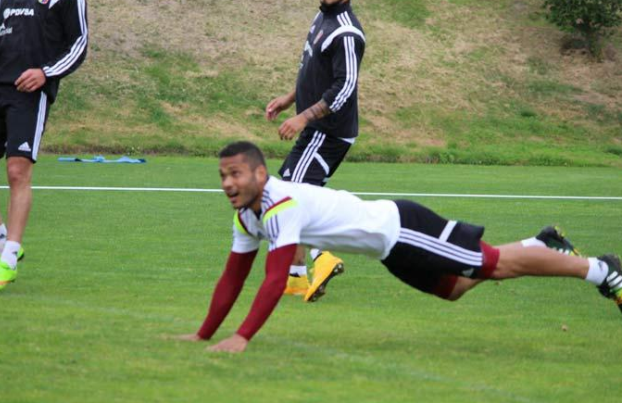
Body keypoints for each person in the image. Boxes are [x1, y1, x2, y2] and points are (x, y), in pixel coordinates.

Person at [177, 141, 622, 353]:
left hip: (404, 227)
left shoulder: (280, 204)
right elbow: (233, 275)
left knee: (494, 265)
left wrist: (241, 336)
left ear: (259, 174)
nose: (228, 183)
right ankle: (540, 243)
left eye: (236, 173)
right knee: (455, 289)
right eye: (222, 176)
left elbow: (276, 279)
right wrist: (202, 334)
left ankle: (604, 272)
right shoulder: (247, 216)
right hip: (390, 250)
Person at [0, 0, 88, 292]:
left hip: (29, 93)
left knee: (17, 172)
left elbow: (79, 44)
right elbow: (0, 43)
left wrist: (46, 73)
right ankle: (2, 241)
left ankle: (8, 261)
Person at [265, 0, 365, 302]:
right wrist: (288, 99)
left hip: (329, 131)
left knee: (292, 193)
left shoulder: (347, 33)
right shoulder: (322, 16)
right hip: (318, 127)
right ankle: (295, 279)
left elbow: (344, 87)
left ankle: (323, 256)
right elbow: (313, 71)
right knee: (297, 192)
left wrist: (303, 116)